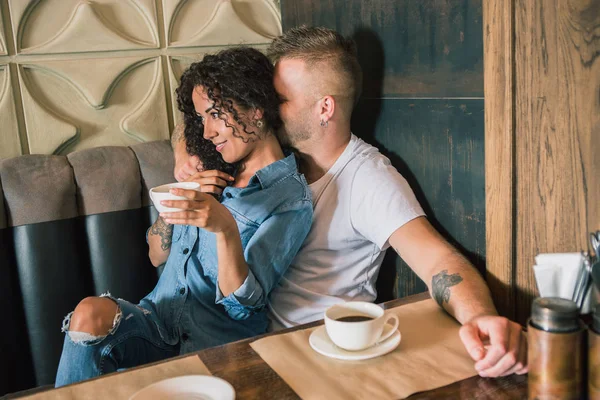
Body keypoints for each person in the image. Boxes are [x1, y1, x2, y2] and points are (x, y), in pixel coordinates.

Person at [261, 26, 526, 378]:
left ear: (325, 107)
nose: (267, 110)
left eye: (280, 100)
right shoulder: (275, 160)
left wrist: (480, 319)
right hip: (261, 343)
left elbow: (439, 261)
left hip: (325, 360)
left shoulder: (368, 178)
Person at [54, 47, 313, 386]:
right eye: (201, 118)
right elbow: (156, 253)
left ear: (255, 108)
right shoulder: (214, 164)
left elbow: (244, 307)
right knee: (89, 312)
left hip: (218, 346)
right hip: (155, 324)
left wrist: (224, 229)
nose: (206, 132)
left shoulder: (289, 199)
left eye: (215, 114)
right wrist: (181, 194)